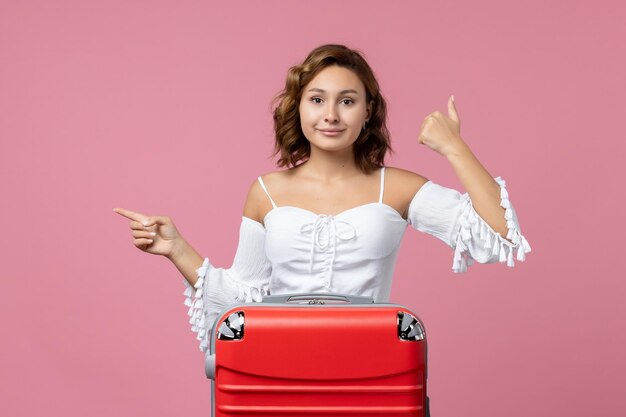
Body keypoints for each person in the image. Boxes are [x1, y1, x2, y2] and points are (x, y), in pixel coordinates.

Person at [114, 44, 531, 353]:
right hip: (278, 368)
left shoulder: (399, 188)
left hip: (371, 366)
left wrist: (454, 148)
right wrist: (176, 249)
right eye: (317, 100)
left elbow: (500, 234)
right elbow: (243, 303)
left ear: (367, 111)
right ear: (299, 108)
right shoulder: (267, 192)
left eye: (347, 101)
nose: (330, 115)